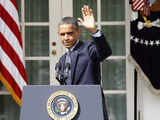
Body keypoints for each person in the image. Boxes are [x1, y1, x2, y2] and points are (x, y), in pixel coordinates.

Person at [55, 5, 112, 120]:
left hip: (91, 107)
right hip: (70, 111)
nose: (66, 37)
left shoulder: (89, 49)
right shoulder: (62, 60)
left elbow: (105, 52)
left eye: (70, 33)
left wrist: (94, 31)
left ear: (78, 32)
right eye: (62, 34)